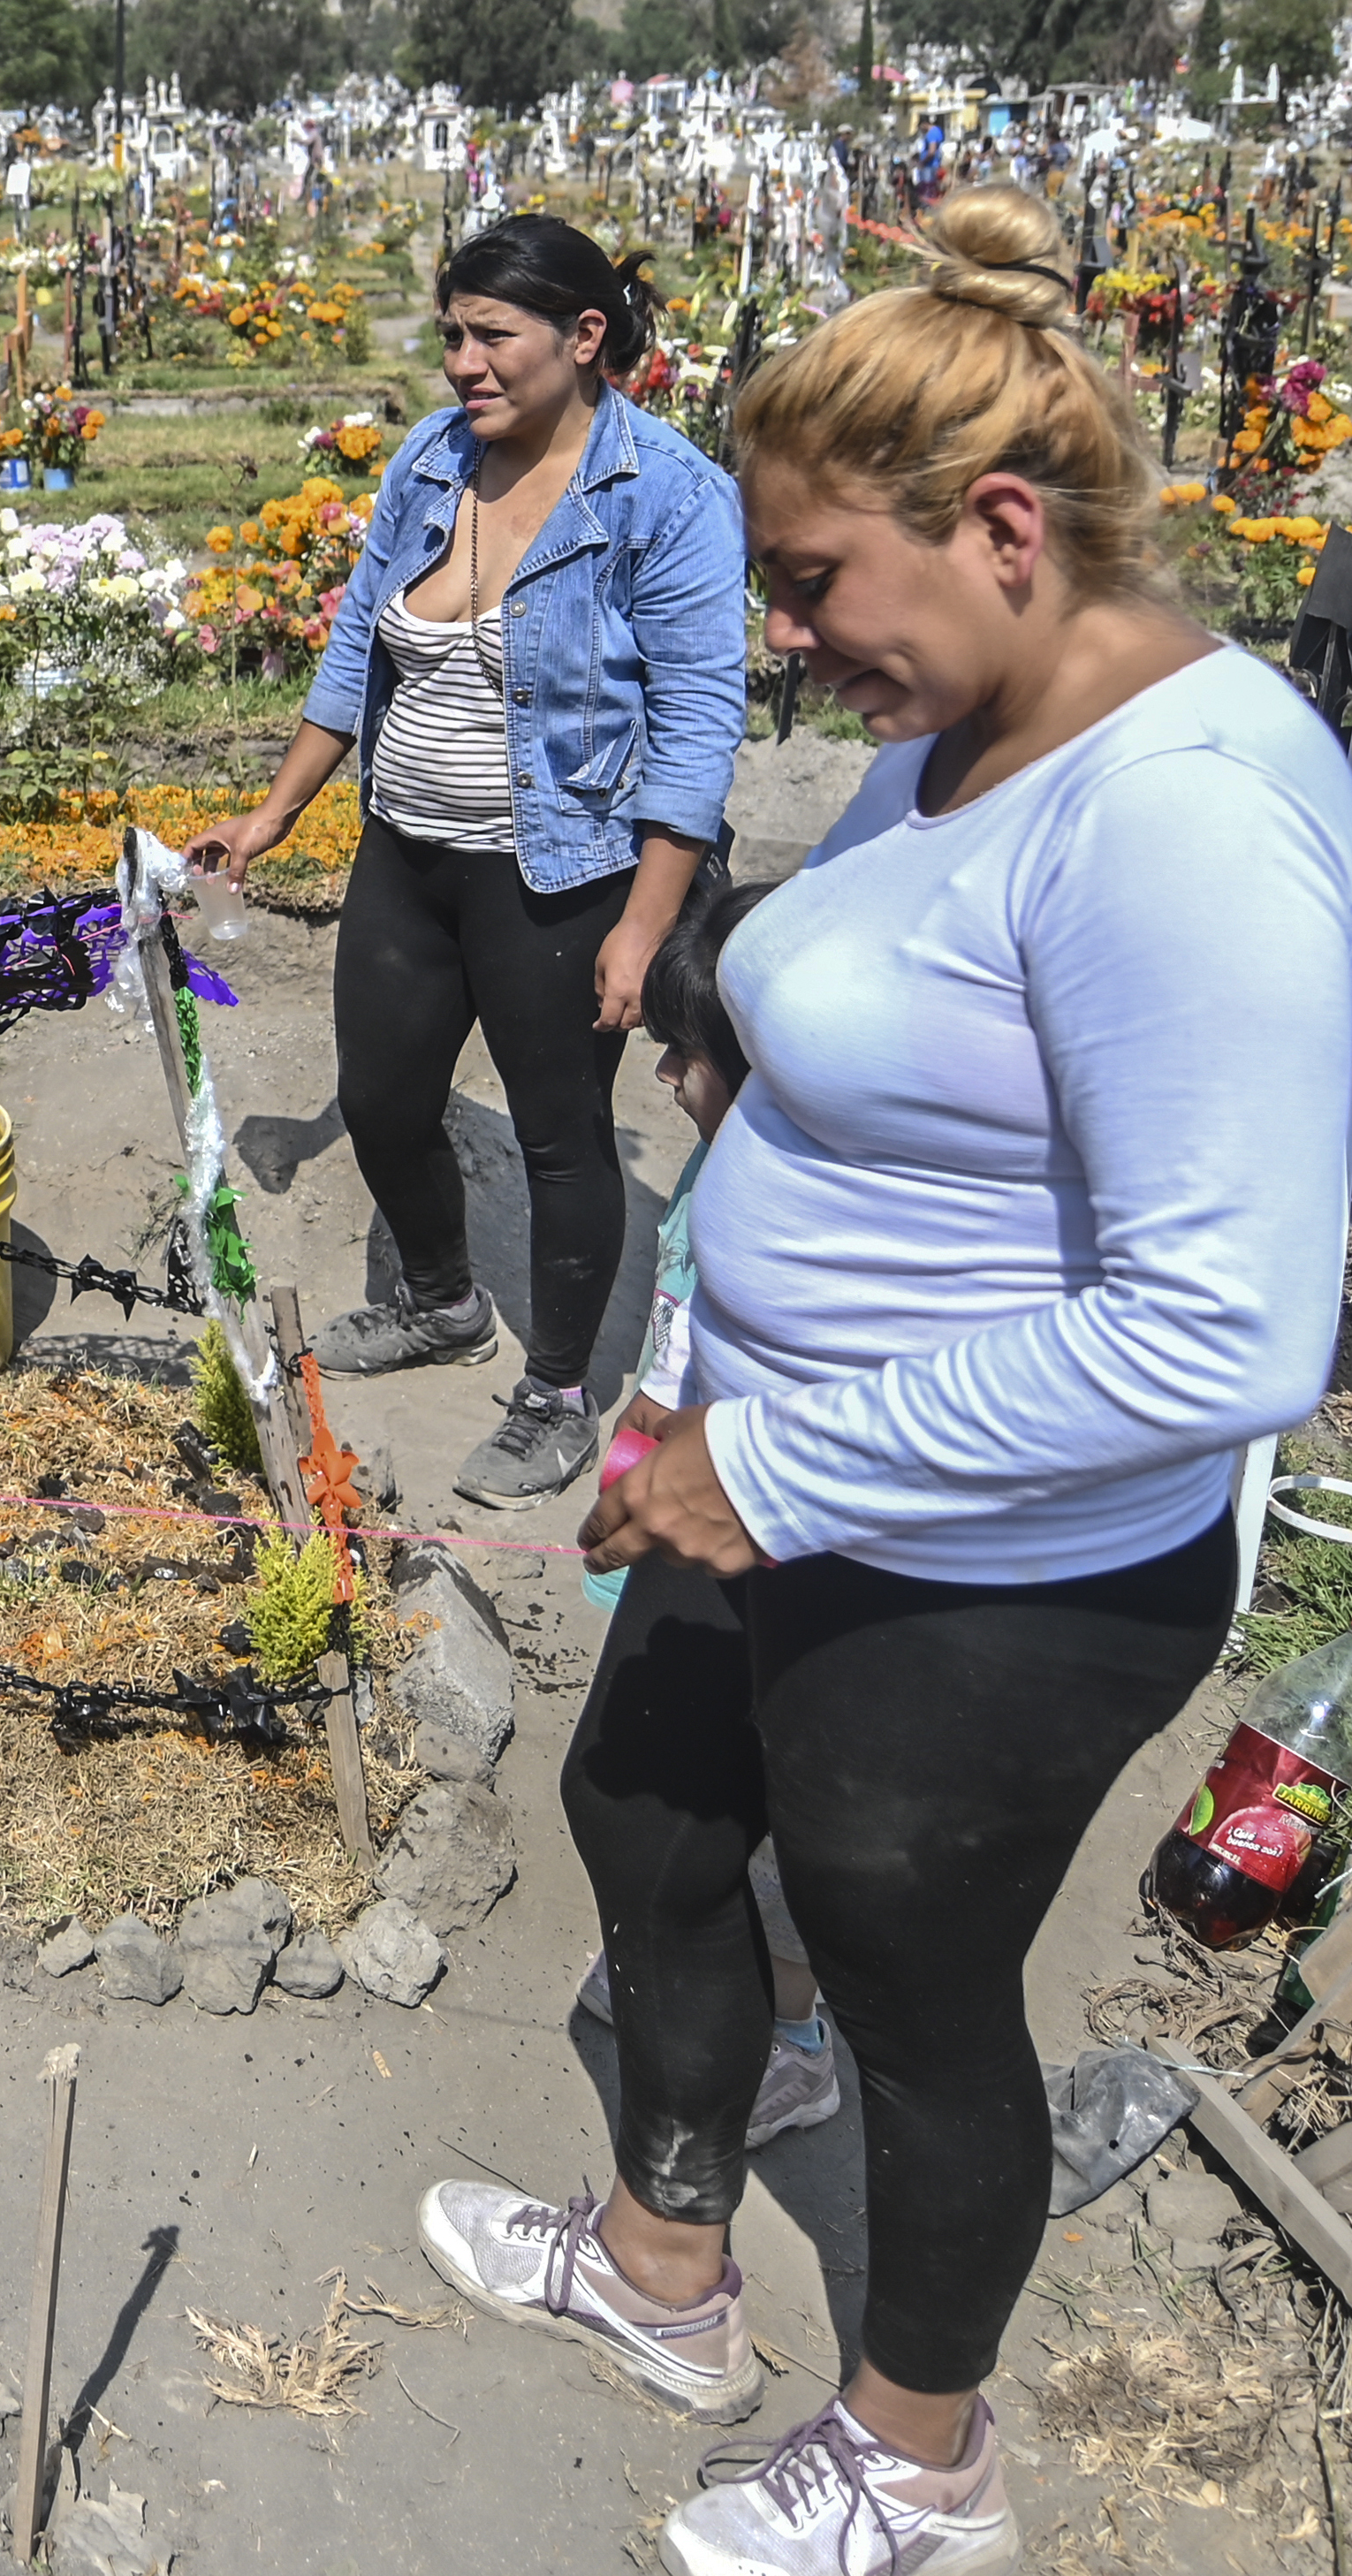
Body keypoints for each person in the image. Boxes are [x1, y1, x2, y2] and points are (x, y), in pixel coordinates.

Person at [413, 186, 1352, 2576]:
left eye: (817, 578)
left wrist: (782, 1456)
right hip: (771, 1460)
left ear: (1008, 529)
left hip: (991, 1565)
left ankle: (921, 2458)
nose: (786, 632)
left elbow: (1226, 1329)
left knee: (923, 1986)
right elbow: (926, 1032)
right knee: (647, 1819)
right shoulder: (972, 722)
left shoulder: (1185, 811)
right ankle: (661, 2277)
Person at [185, 214, 747, 1508]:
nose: (462, 363)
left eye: (492, 335)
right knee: (383, 1098)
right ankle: (441, 1301)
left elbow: (700, 722)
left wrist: (644, 922)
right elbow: (352, 656)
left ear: (585, 337)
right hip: (410, 849)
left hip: (566, 873)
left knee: (561, 1137)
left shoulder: (663, 492)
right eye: (451, 334)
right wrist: (276, 815)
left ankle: (555, 1391)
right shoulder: (432, 463)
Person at [568, 874, 839, 2151]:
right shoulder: (715, 1182)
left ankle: (789, 2036)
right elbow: (676, 1351)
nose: (667, 1073)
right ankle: (701, 1971)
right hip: (686, 1516)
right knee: (671, 1784)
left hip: (765, 1547)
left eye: (691, 1053)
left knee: (767, 1829)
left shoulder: (814, 1224)